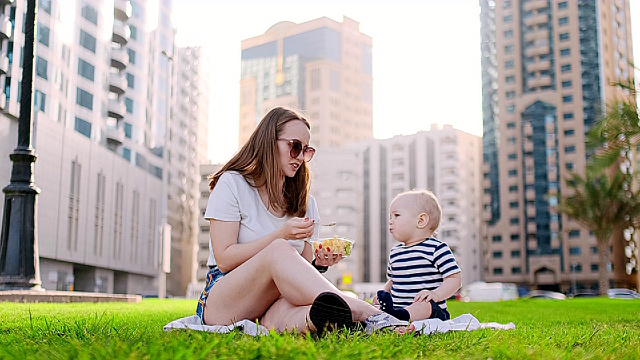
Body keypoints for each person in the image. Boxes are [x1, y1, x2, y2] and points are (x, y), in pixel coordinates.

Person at [195, 106, 407, 335]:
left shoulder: (305, 202)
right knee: (279, 249)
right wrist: (280, 236)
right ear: (269, 141)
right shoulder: (232, 184)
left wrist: (320, 262)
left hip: (276, 300)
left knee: (309, 313)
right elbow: (225, 259)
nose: (300, 157)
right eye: (295, 147)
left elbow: (302, 265)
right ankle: (367, 313)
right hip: (224, 298)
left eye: (306, 151)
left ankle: (335, 322)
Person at [374, 190, 462, 322]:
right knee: (375, 306)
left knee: (423, 305)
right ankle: (394, 317)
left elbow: (454, 279)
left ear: (421, 221)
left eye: (396, 215)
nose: (390, 221)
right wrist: (383, 292)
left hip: (432, 312)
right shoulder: (395, 253)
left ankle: (398, 318)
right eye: (390, 217)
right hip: (399, 308)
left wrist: (435, 295)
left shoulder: (436, 249)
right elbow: (393, 281)